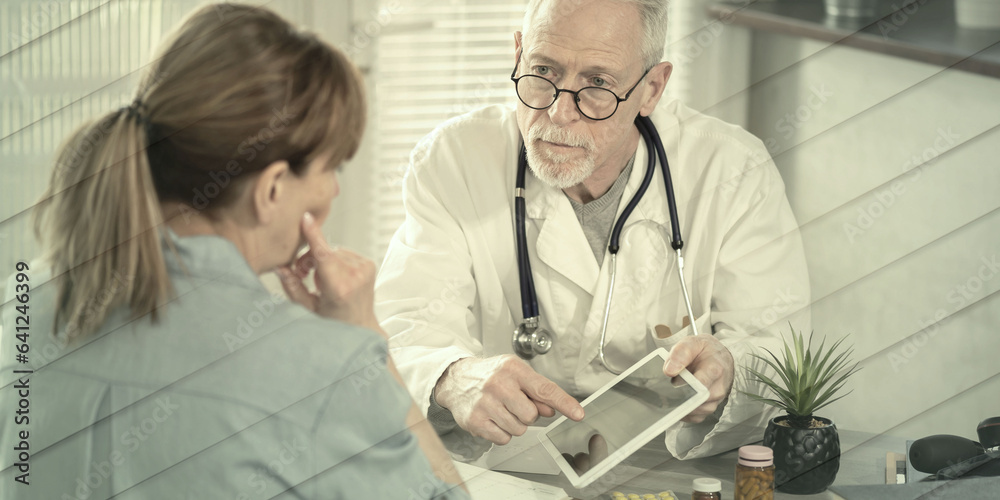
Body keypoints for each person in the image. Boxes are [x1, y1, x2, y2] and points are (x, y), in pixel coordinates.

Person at [0, 4, 468, 499]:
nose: (333, 192)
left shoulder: (22, 305)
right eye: (331, 168)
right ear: (271, 190)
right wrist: (364, 339)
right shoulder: (322, 370)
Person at [374, 0, 811, 463]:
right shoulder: (456, 159)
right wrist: (452, 376)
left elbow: (778, 348)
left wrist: (729, 368)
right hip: (505, 468)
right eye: (543, 69)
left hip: (667, 467)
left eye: (598, 83)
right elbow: (407, 329)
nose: (560, 112)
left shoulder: (732, 169)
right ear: (517, 54)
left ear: (651, 88)